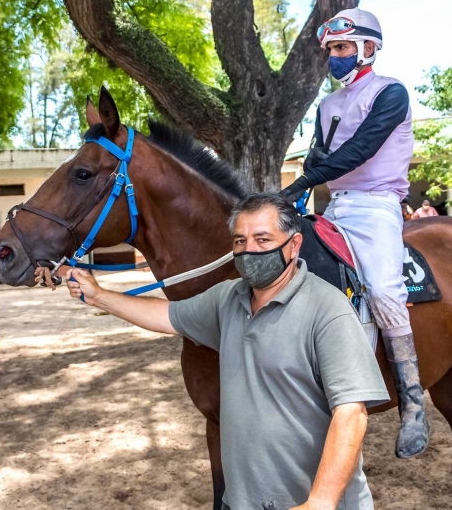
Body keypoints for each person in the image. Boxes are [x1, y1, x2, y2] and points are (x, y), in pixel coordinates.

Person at [65, 193, 390, 510]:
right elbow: (166, 316)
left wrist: (321, 502)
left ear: (293, 245)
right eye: (239, 241)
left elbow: (352, 414)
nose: (249, 250)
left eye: (262, 240)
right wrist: (98, 296)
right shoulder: (227, 298)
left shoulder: (327, 308)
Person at [278, 8, 429, 458]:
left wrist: (303, 182)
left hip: (378, 206)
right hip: (336, 206)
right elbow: (319, 155)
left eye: (342, 48)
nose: (335, 58)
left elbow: (362, 150)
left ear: (368, 48)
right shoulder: (327, 106)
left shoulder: (391, 92)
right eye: (330, 51)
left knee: (383, 290)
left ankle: (415, 402)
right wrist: (299, 184)